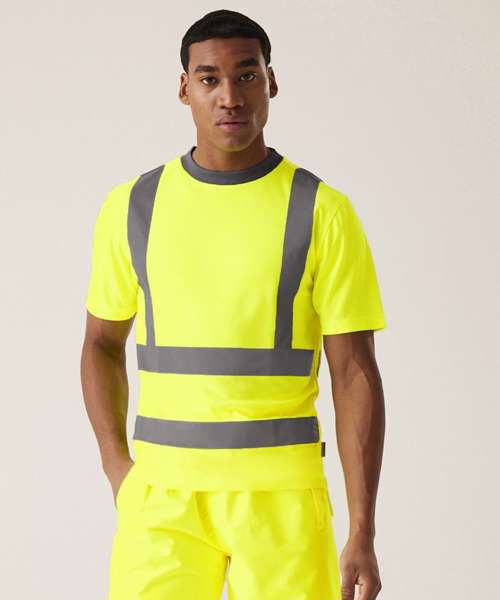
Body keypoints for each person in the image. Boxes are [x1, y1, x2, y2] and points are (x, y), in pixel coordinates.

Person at [80, 8, 387, 600]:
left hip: (281, 498)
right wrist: (119, 469)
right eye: (209, 78)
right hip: (162, 498)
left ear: (272, 82)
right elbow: (100, 344)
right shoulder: (133, 206)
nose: (229, 96)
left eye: (247, 75)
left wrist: (362, 529)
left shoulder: (322, 211)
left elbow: (354, 372)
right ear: (184, 88)